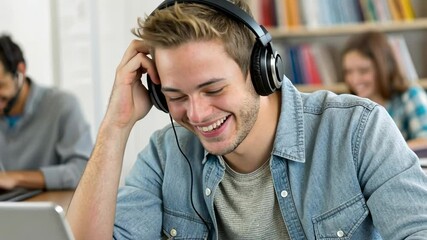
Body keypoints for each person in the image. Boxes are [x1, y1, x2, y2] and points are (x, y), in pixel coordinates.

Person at [67, 0, 427, 239]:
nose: (196, 114)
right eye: (176, 96)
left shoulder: (358, 131)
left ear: (261, 71)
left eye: (213, 89)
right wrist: (116, 125)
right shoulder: (166, 156)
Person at [0, 34, 93, 190]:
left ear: (20, 71)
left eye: (1, 85)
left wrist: (14, 178)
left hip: (50, 210)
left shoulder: (62, 105)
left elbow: (82, 171)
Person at [341, 31, 427, 151]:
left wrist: (384, 154)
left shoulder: (410, 96)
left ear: (383, 68)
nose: (354, 80)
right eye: (348, 72)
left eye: (363, 71)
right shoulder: (348, 107)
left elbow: (425, 141)